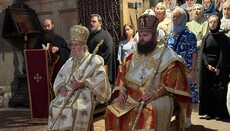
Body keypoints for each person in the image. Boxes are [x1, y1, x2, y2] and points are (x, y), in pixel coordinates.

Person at [106, 14, 192, 131]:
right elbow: (122, 72)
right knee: (112, 109)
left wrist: (155, 94)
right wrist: (122, 90)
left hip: (157, 96)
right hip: (131, 96)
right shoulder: (132, 55)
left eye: (145, 35)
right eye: (140, 35)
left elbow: (172, 80)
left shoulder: (166, 55)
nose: (141, 38)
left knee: (148, 110)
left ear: (155, 36)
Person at [47, 25, 111, 130]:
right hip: (68, 92)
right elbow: (60, 76)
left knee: (72, 109)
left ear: (84, 47)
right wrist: (62, 86)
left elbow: (101, 78)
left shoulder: (95, 60)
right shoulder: (69, 62)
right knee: (54, 106)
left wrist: (84, 83)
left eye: (76, 45)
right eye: (71, 45)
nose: (73, 47)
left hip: (86, 93)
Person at [168, 7, 198, 128]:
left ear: (184, 18)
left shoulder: (190, 35)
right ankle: (178, 116)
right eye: (174, 16)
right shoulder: (171, 33)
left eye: (178, 16)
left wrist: (193, 71)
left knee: (189, 93)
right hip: (173, 69)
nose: (175, 18)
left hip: (186, 69)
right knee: (175, 93)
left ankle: (187, 118)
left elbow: (194, 53)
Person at [199, 15, 230, 120]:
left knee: (219, 92)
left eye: (214, 22)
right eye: (210, 22)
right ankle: (210, 113)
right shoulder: (206, 37)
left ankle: (219, 113)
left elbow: (223, 54)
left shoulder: (223, 38)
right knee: (208, 91)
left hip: (219, 69)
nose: (212, 24)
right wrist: (207, 65)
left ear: (218, 23)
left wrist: (218, 68)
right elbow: (203, 53)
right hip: (207, 68)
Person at [34, 19, 70, 99]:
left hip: (56, 72)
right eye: (45, 26)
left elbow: (67, 52)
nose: (46, 28)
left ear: (52, 26)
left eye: (48, 26)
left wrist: (59, 49)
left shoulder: (59, 39)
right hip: (43, 71)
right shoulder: (40, 40)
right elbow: (34, 53)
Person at [87, 14, 116, 85]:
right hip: (91, 68)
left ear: (100, 23)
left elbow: (109, 53)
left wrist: (98, 63)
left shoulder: (106, 36)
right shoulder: (90, 36)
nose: (91, 23)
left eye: (94, 21)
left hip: (101, 68)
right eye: (91, 21)